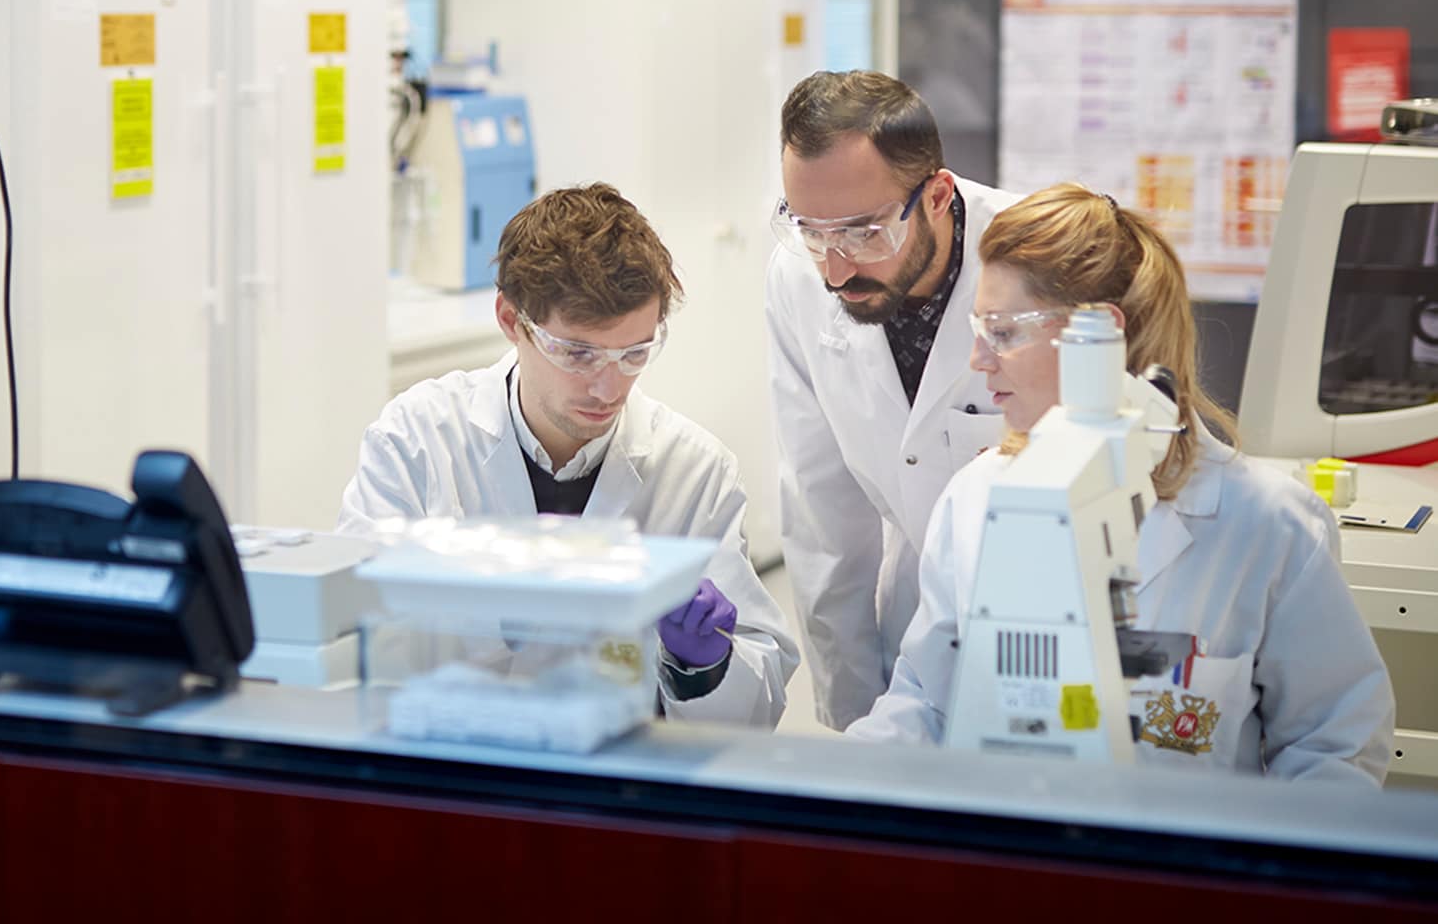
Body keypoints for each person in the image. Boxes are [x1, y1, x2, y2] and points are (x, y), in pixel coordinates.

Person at [846, 184, 1395, 784]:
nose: (977, 360)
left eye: (1002, 331)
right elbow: (926, 701)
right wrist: (827, 789)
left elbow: (1335, 748)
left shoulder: (1267, 523)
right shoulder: (978, 497)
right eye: (979, 329)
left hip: (1183, 868)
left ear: (1099, 338)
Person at [340, 183, 800, 728]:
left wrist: (705, 663)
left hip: (615, 776)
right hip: (444, 761)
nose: (608, 388)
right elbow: (347, 632)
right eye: (578, 354)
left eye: (634, 354)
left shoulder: (695, 470)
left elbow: (759, 703)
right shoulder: (416, 440)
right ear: (512, 321)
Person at [766, 70, 1017, 729]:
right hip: (913, 626)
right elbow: (824, 508)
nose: (835, 268)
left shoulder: (1033, 260)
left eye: (863, 232)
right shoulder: (798, 276)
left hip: (1045, 616)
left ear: (936, 196)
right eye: (811, 230)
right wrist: (852, 711)